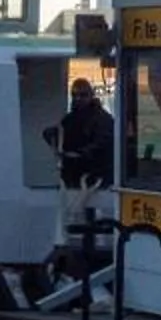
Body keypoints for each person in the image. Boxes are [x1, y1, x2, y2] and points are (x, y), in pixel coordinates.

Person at [44, 77, 116, 266]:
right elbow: (58, 132)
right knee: (71, 226)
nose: (78, 99)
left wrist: (82, 155)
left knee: (94, 230)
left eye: (82, 95)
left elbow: (104, 143)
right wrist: (51, 136)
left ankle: (92, 261)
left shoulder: (103, 120)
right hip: (72, 183)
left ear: (91, 96)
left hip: (96, 183)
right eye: (74, 95)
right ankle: (67, 255)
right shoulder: (69, 119)